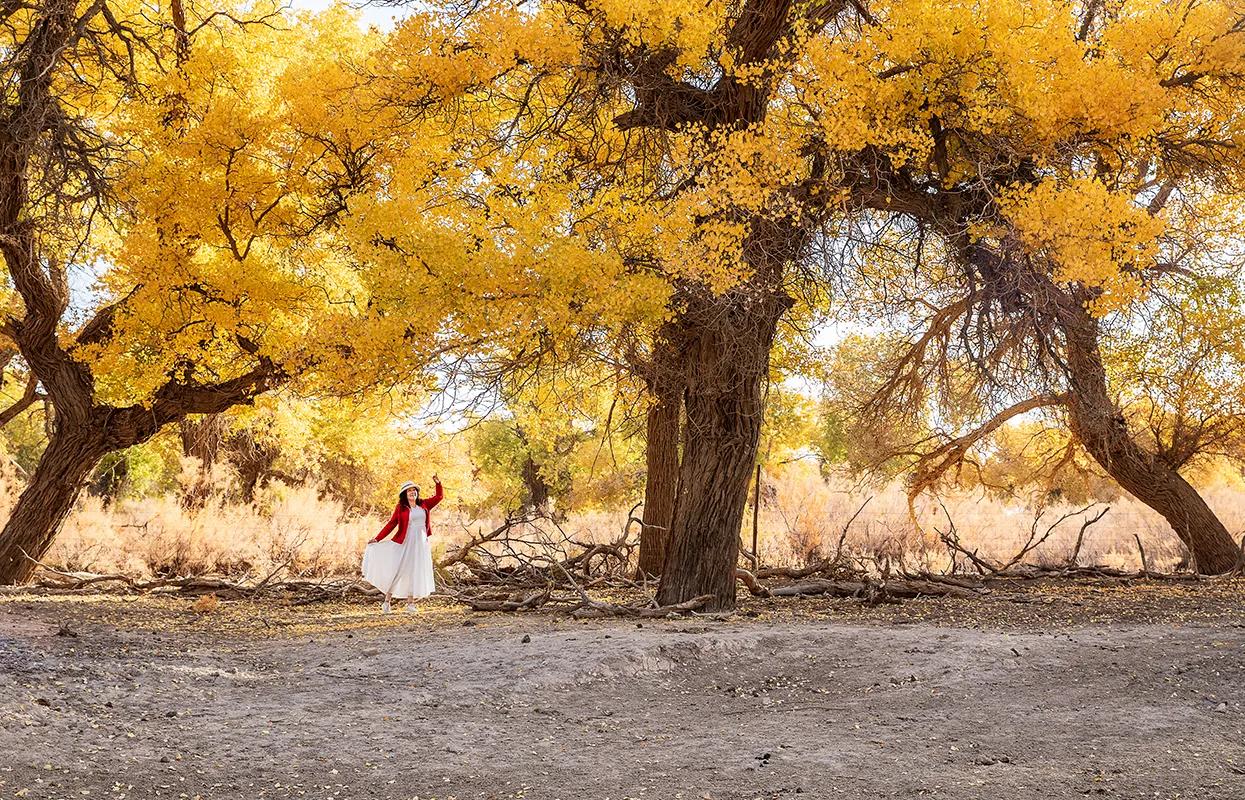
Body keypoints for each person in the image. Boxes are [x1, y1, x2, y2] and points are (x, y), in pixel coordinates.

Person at [361, 476, 443, 613]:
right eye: (409, 491)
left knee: (414, 571)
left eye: (414, 490)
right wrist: (377, 538)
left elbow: (439, 497)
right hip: (406, 542)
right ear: (405, 494)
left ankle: (410, 604)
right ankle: (387, 602)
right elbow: (391, 524)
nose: (412, 492)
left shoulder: (424, 504)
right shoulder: (401, 508)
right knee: (399, 570)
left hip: (421, 543)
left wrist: (438, 484)